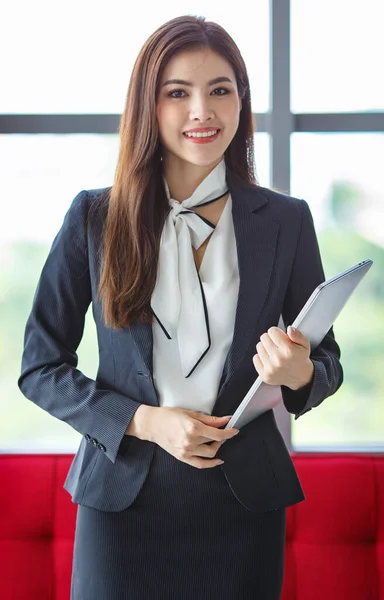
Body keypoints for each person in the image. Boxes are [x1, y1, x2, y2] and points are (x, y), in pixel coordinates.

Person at [18, 14, 343, 600]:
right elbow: (40, 368)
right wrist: (145, 421)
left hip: (242, 506)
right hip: (124, 504)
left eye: (220, 90)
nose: (203, 111)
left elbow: (327, 366)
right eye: (178, 93)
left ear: (242, 103)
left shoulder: (286, 221)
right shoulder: (96, 218)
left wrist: (301, 375)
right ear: (150, 106)